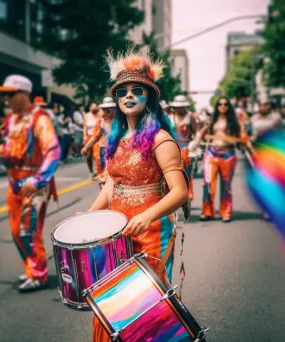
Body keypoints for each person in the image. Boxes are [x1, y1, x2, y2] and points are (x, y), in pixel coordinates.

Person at [88, 50, 189, 342]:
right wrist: (90, 216)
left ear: (150, 97)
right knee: (113, 303)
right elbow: (111, 184)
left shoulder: (161, 139)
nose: (129, 96)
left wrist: (146, 217)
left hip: (151, 230)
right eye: (122, 92)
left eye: (137, 90)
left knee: (146, 306)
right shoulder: (116, 140)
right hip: (116, 230)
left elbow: (180, 192)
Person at [0, 75, 60, 292]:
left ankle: (38, 274)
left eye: (10, 94)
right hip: (14, 183)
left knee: (28, 231)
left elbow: (53, 150)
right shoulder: (11, 121)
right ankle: (30, 268)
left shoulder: (40, 119)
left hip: (34, 184)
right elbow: (8, 149)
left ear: (24, 94)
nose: (6, 100)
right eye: (4, 95)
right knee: (16, 232)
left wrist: (39, 180)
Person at [200, 96, 248, 222]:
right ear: (216, 106)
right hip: (211, 153)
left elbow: (242, 138)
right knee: (208, 183)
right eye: (220, 104)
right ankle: (207, 212)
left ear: (228, 106)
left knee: (226, 186)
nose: (223, 106)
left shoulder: (235, 122)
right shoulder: (212, 120)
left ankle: (226, 212)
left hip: (228, 155)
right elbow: (203, 135)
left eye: (225, 104)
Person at [81, 97, 116, 187]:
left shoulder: (121, 121)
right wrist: (86, 147)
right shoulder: (102, 123)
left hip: (117, 152)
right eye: (104, 109)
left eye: (108, 108)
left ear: (114, 108)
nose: (106, 111)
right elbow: (95, 137)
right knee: (103, 181)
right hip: (104, 151)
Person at [170, 95, 197, 200]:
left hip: (186, 147)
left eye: (182, 106)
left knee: (186, 172)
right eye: (178, 106)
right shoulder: (170, 117)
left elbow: (195, 133)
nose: (180, 108)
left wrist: (194, 145)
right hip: (173, 147)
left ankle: (188, 191)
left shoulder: (190, 117)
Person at [83, 103, 100, 178]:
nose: (95, 108)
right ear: (90, 108)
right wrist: (84, 136)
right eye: (94, 107)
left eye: (96, 107)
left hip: (98, 137)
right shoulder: (87, 115)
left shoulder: (100, 114)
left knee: (97, 155)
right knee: (88, 156)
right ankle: (91, 171)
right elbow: (85, 127)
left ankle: (98, 171)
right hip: (89, 136)